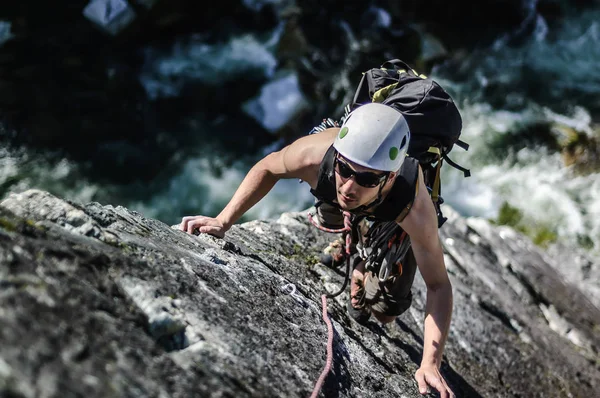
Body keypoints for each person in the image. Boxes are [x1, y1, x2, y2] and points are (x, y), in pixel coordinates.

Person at [179, 102, 455, 397]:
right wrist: (223, 221)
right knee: (333, 210)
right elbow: (268, 167)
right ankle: (352, 238)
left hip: (391, 218)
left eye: (366, 178)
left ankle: (365, 257)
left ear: (389, 177)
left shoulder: (412, 207)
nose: (349, 186)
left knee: (385, 312)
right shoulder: (314, 156)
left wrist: (430, 363)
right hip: (345, 193)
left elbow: (438, 286)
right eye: (345, 170)